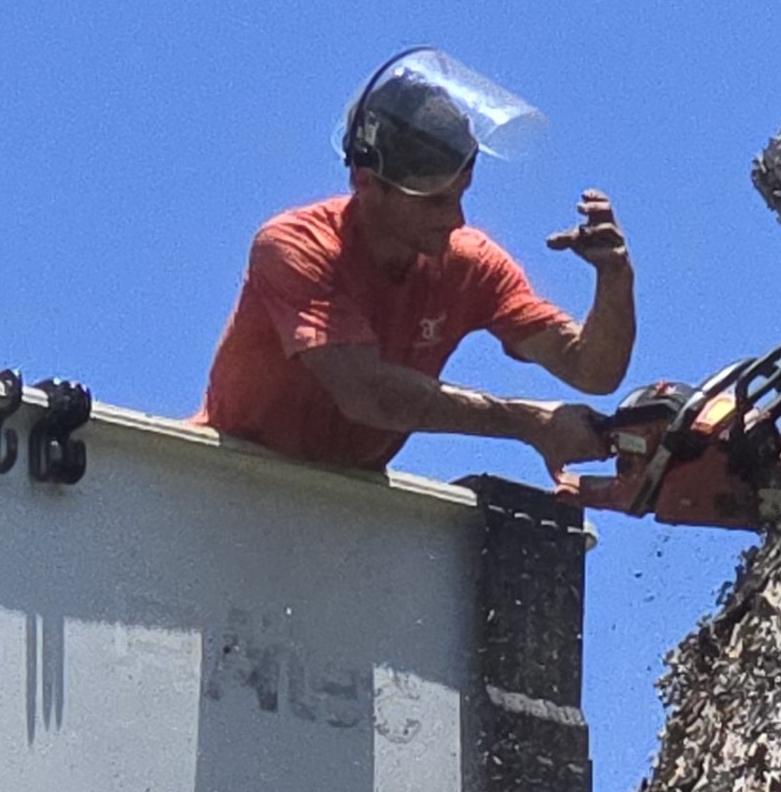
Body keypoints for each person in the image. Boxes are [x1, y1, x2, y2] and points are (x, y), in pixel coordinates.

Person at [199, 52, 635, 489]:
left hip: (348, 496)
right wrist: (530, 422)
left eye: (460, 194)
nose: (456, 219)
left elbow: (591, 371)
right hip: (221, 478)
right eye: (433, 200)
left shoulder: (469, 263)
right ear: (365, 181)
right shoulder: (296, 246)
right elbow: (367, 395)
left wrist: (614, 278)